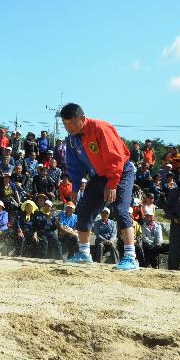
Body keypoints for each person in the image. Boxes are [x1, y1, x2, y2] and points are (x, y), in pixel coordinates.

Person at [60, 103, 139, 270]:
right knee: (83, 209)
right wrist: (75, 186)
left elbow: (115, 157)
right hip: (98, 176)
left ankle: (131, 257)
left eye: (71, 123)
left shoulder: (100, 128)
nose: (68, 127)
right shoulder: (72, 140)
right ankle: (84, 253)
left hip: (121, 171)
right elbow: (74, 166)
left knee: (120, 209)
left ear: (82, 118)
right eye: (65, 124)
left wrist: (112, 183)